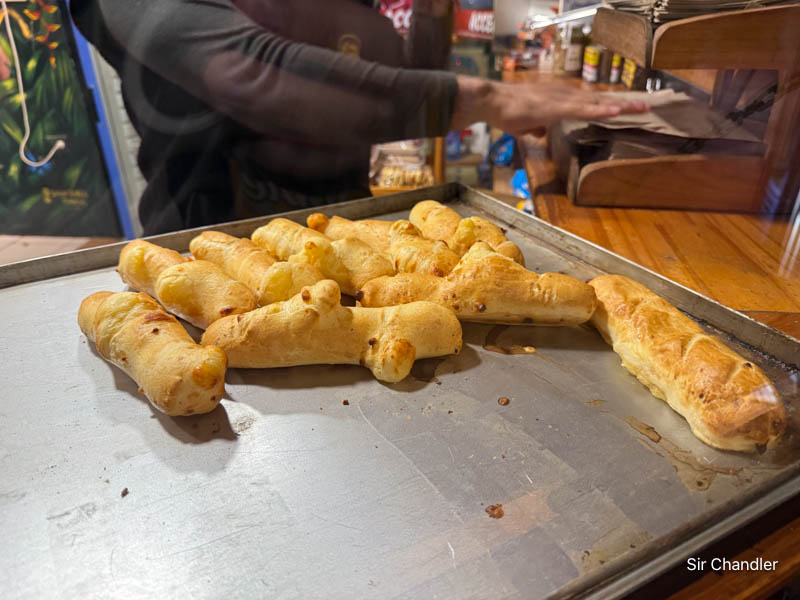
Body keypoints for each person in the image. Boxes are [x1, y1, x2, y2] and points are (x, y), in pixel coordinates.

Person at [70, 0, 648, 235]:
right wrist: (488, 99)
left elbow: (372, 67)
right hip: (214, 245)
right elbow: (255, 75)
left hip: (345, 226)